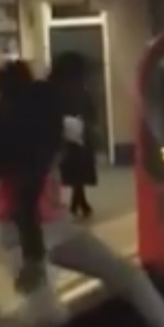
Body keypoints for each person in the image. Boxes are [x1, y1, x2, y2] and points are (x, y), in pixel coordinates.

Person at [0, 60, 164, 327]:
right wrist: (33, 258)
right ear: (66, 84)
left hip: (56, 224)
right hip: (19, 234)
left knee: (128, 275)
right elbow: (24, 199)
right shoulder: (37, 125)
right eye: (81, 84)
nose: (84, 91)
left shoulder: (47, 117)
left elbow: (69, 138)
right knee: (50, 315)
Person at [49, 52, 99, 219]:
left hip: (64, 133)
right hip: (80, 133)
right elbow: (90, 109)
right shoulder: (80, 87)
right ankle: (79, 202)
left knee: (73, 168)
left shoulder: (55, 87)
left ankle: (79, 201)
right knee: (81, 168)